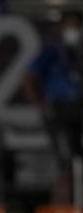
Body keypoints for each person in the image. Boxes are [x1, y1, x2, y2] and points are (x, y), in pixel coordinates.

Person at [23, 10, 82, 201]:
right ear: (62, 28)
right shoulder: (52, 51)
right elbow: (29, 77)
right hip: (59, 110)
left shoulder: (79, 52)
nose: (74, 30)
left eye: (77, 26)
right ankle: (62, 206)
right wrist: (39, 104)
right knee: (64, 161)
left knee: (77, 160)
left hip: (79, 109)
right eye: (70, 26)